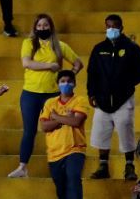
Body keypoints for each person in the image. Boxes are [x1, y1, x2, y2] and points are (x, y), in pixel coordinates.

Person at [9, 14, 84, 178]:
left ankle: (63, 163)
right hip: (30, 93)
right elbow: (26, 63)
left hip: (53, 95)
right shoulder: (28, 43)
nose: (42, 28)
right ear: (35, 28)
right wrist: (49, 65)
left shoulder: (60, 46)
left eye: (45, 25)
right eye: (39, 26)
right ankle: (22, 167)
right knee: (29, 131)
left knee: (59, 129)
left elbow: (78, 63)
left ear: (51, 27)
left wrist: (69, 76)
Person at [87, 14, 140, 181]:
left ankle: (129, 166)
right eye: (108, 26)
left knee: (125, 129)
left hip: (123, 98)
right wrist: (91, 93)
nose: (111, 29)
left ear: (121, 27)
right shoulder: (99, 49)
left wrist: (127, 84)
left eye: (114, 26)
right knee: (101, 132)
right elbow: (92, 73)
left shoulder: (132, 48)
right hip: (102, 99)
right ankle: (103, 166)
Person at [39, 70, 89, 199]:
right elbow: (44, 126)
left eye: (68, 81)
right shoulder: (49, 103)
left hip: (75, 149)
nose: (65, 84)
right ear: (58, 84)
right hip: (54, 154)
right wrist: (65, 119)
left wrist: (56, 118)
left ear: (74, 83)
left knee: (73, 181)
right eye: (62, 81)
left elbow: (76, 122)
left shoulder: (80, 100)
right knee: (61, 190)